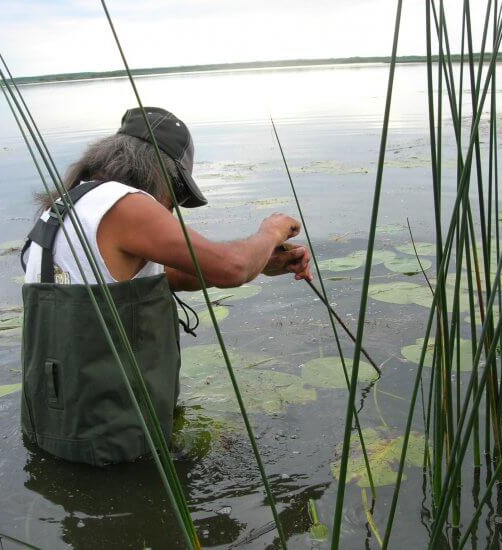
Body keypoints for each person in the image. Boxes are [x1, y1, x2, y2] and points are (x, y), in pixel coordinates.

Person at [20, 107, 312, 466]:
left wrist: (264, 264)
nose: (171, 207)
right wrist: (270, 232)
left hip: (55, 427)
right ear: (158, 173)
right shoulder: (123, 203)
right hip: (113, 433)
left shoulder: (65, 209)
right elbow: (231, 267)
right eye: (175, 193)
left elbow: (162, 279)